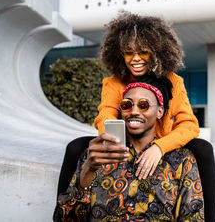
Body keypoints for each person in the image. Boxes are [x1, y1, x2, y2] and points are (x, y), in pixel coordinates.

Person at [58, 11, 215, 221]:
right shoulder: (114, 82)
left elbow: (188, 124)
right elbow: (106, 114)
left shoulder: (173, 81)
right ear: (119, 53)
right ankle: (61, 207)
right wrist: (114, 142)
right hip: (126, 142)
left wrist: (159, 148)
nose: (135, 59)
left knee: (203, 148)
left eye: (143, 52)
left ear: (157, 52)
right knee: (76, 147)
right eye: (128, 52)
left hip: (162, 143)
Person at [54, 75, 204, 221]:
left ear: (160, 111)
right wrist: (87, 174)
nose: (134, 111)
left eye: (143, 105)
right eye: (127, 105)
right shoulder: (95, 155)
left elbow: (193, 216)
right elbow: (65, 218)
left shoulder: (182, 161)